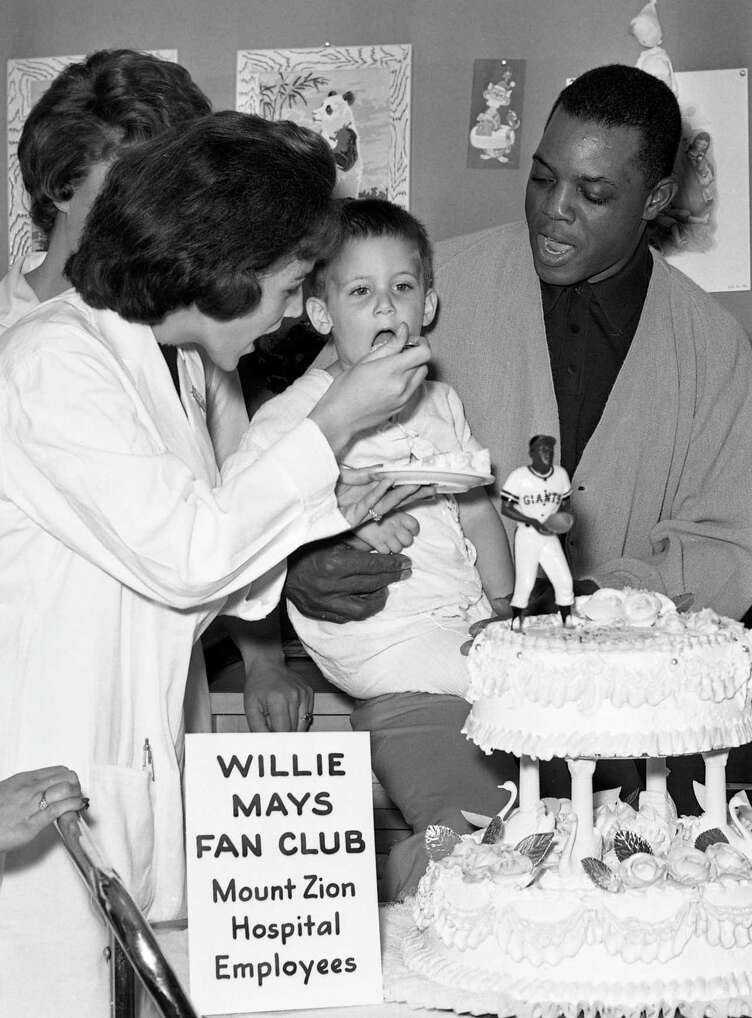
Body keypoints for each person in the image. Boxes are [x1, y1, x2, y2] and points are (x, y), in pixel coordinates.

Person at [0, 111, 431, 1017]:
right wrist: (335, 420)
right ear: (223, 270)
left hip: (128, 786)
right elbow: (187, 555)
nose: (285, 313)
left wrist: (320, 514)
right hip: (41, 798)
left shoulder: (175, 368)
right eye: (284, 287)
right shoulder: (51, 363)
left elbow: (183, 583)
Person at [286, 63, 752, 628]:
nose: (554, 209)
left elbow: (726, 546)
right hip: (434, 670)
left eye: (593, 193)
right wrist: (300, 556)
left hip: (633, 688)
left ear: (655, 198)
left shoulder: (713, 350)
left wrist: (592, 601)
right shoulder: (416, 292)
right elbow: (305, 439)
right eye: (543, 178)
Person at [4, 48, 313, 734]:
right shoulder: (29, 346)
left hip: (157, 692)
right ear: (60, 183)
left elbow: (234, 504)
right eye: (134, 184)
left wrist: (263, 659)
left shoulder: (187, 343)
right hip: (46, 700)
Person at [224, 197, 517, 899]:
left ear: (430, 302)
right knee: (493, 780)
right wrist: (341, 523)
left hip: (459, 627)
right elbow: (243, 520)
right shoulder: (295, 414)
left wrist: (510, 616)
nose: (386, 305)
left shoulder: (441, 403)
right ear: (323, 313)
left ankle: (440, 862)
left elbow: (476, 512)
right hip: (385, 647)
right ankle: (421, 876)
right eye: (361, 292)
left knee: (517, 804)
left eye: (403, 287)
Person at [501, 435, 575, 626]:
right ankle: (516, 622)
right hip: (527, 535)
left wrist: (563, 518)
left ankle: (567, 622)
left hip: (549, 535)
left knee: (564, 580)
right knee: (525, 583)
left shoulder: (560, 475)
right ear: (532, 453)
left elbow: (566, 503)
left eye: (550, 450)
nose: (547, 454)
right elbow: (506, 508)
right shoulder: (519, 476)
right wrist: (532, 520)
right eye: (542, 450)